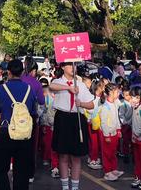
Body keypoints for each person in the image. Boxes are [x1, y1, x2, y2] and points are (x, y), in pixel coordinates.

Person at [0, 58, 36, 190]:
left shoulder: (1, 88)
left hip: (6, 131)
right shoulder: (29, 89)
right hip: (25, 134)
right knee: (22, 172)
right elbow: (33, 110)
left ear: (8, 72)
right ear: (22, 73)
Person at [50, 62, 94, 190]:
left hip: (77, 119)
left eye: (74, 65)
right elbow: (52, 86)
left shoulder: (80, 84)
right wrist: (67, 88)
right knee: (63, 155)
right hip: (62, 119)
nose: (73, 68)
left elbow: (91, 105)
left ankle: (74, 187)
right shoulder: (58, 82)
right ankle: (64, 186)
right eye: (69, 65)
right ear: (63, 67)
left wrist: (82, 104)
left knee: (76, 156)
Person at [22, 57, 45, 183]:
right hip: (31, 117)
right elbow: (41, 101)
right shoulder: (36, 83)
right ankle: (30, 174)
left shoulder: (19, 80)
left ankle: (18, 172)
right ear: (33, 70)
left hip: (16, 117)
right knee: (31, 147)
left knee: (18, 146)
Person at [99, 83, 123, 181]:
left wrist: (118, 129)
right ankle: (107, 172)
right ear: (111, 92)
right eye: (117, 92)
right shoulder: (105, 106)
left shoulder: (114, 104)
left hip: (113, 133)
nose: (119, 93)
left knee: (113, 152)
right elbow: (103, 122)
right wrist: (106, 135)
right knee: (106, 153)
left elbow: (116, 118)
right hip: (107, 134)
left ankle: (113, 169)